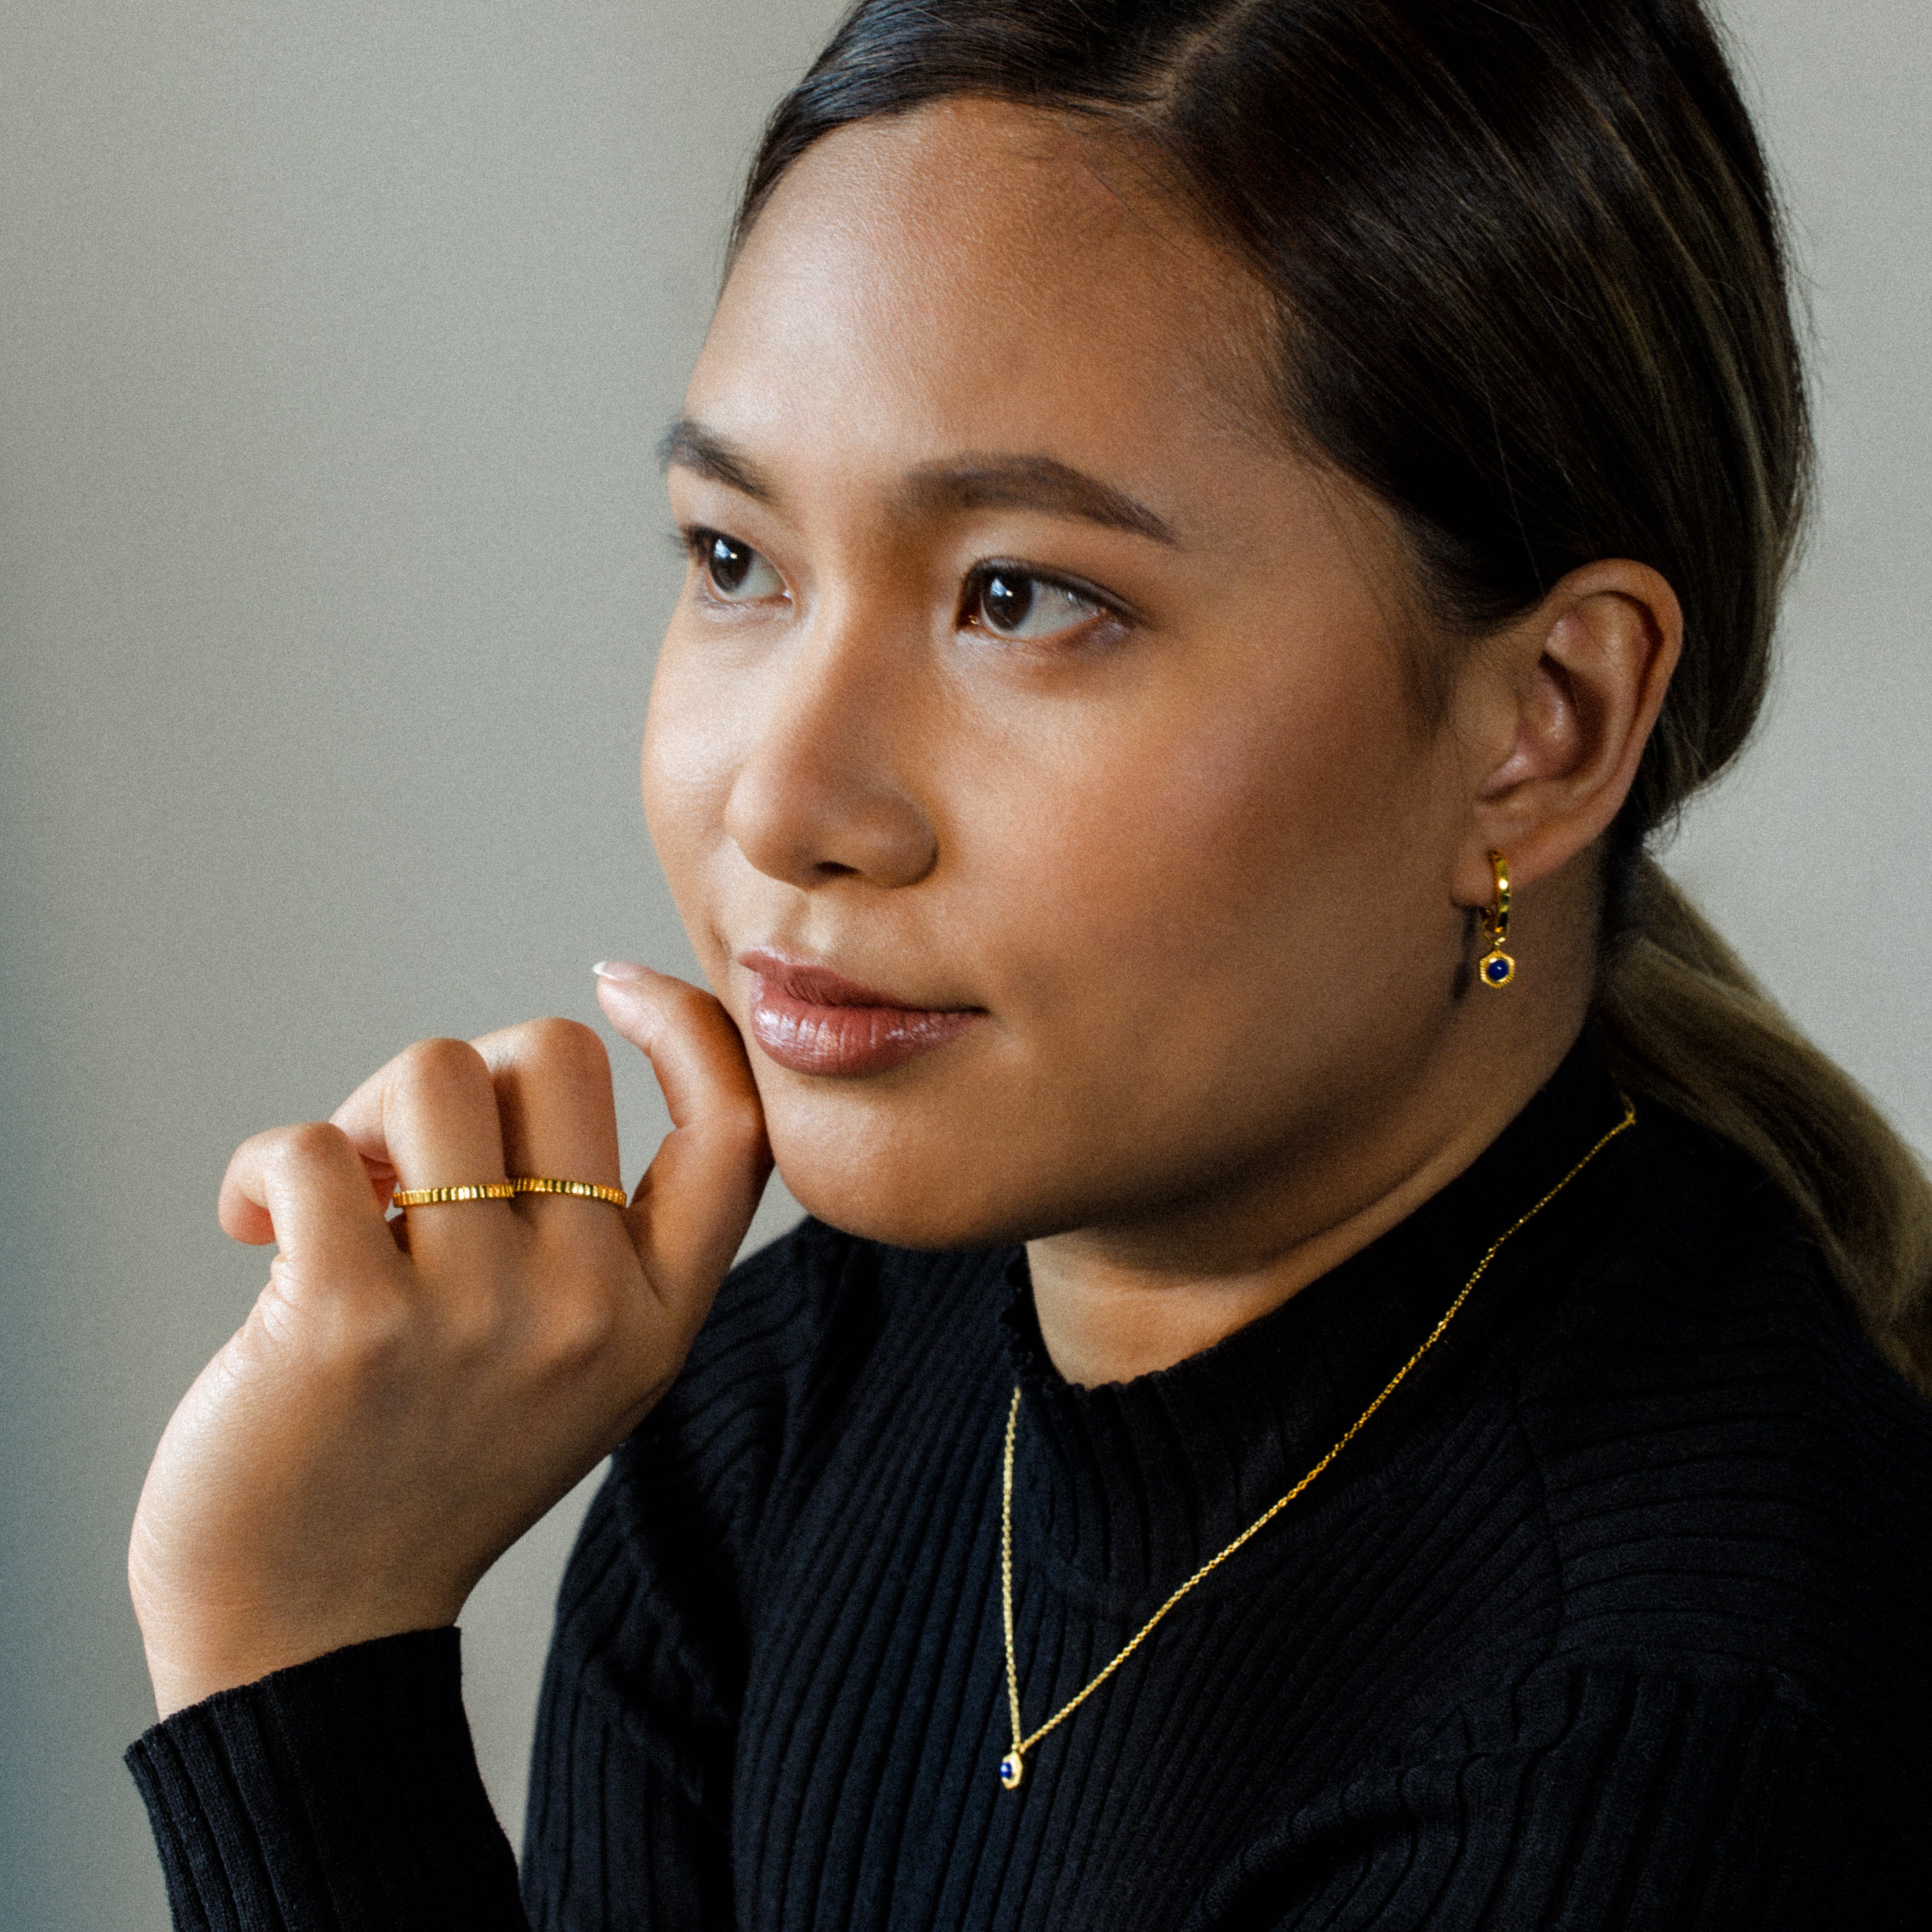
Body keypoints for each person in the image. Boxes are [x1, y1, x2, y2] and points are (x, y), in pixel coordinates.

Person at [124, 1, 1932, 1926]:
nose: (787, 800)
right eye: (737, 557)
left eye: (1022, 596)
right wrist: (308, 1627)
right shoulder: (780, 1414)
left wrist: (301, 1674)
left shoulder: (1645, 1754)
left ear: (1542, 726)